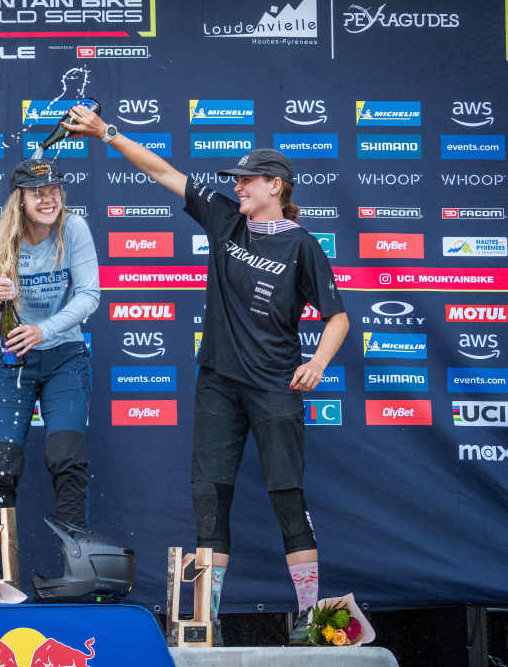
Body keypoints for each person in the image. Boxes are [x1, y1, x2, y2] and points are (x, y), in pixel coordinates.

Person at [64, 109, 349, 644]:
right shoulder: (226, 219)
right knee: (210, 500)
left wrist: (317, 364)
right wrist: (108, 133)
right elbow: (164, 172)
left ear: (275, 186)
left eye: (245, 180)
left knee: (287, 496)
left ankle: (311, 620)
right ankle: (204, 622)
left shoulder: (302, 246)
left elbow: (338, 317)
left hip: (275, 386)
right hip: (218, 382)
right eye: (235, 180)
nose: (236, 187)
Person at [0, 159, 100, 550]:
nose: (49, 198)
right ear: (20, 199)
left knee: (67, 459)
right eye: (38, 192)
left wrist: (44, 329)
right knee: (1, 466)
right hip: (10, 360)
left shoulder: (74, 228)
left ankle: (77, 567)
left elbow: (90, 294)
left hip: (64, 355)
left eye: (54, 189)